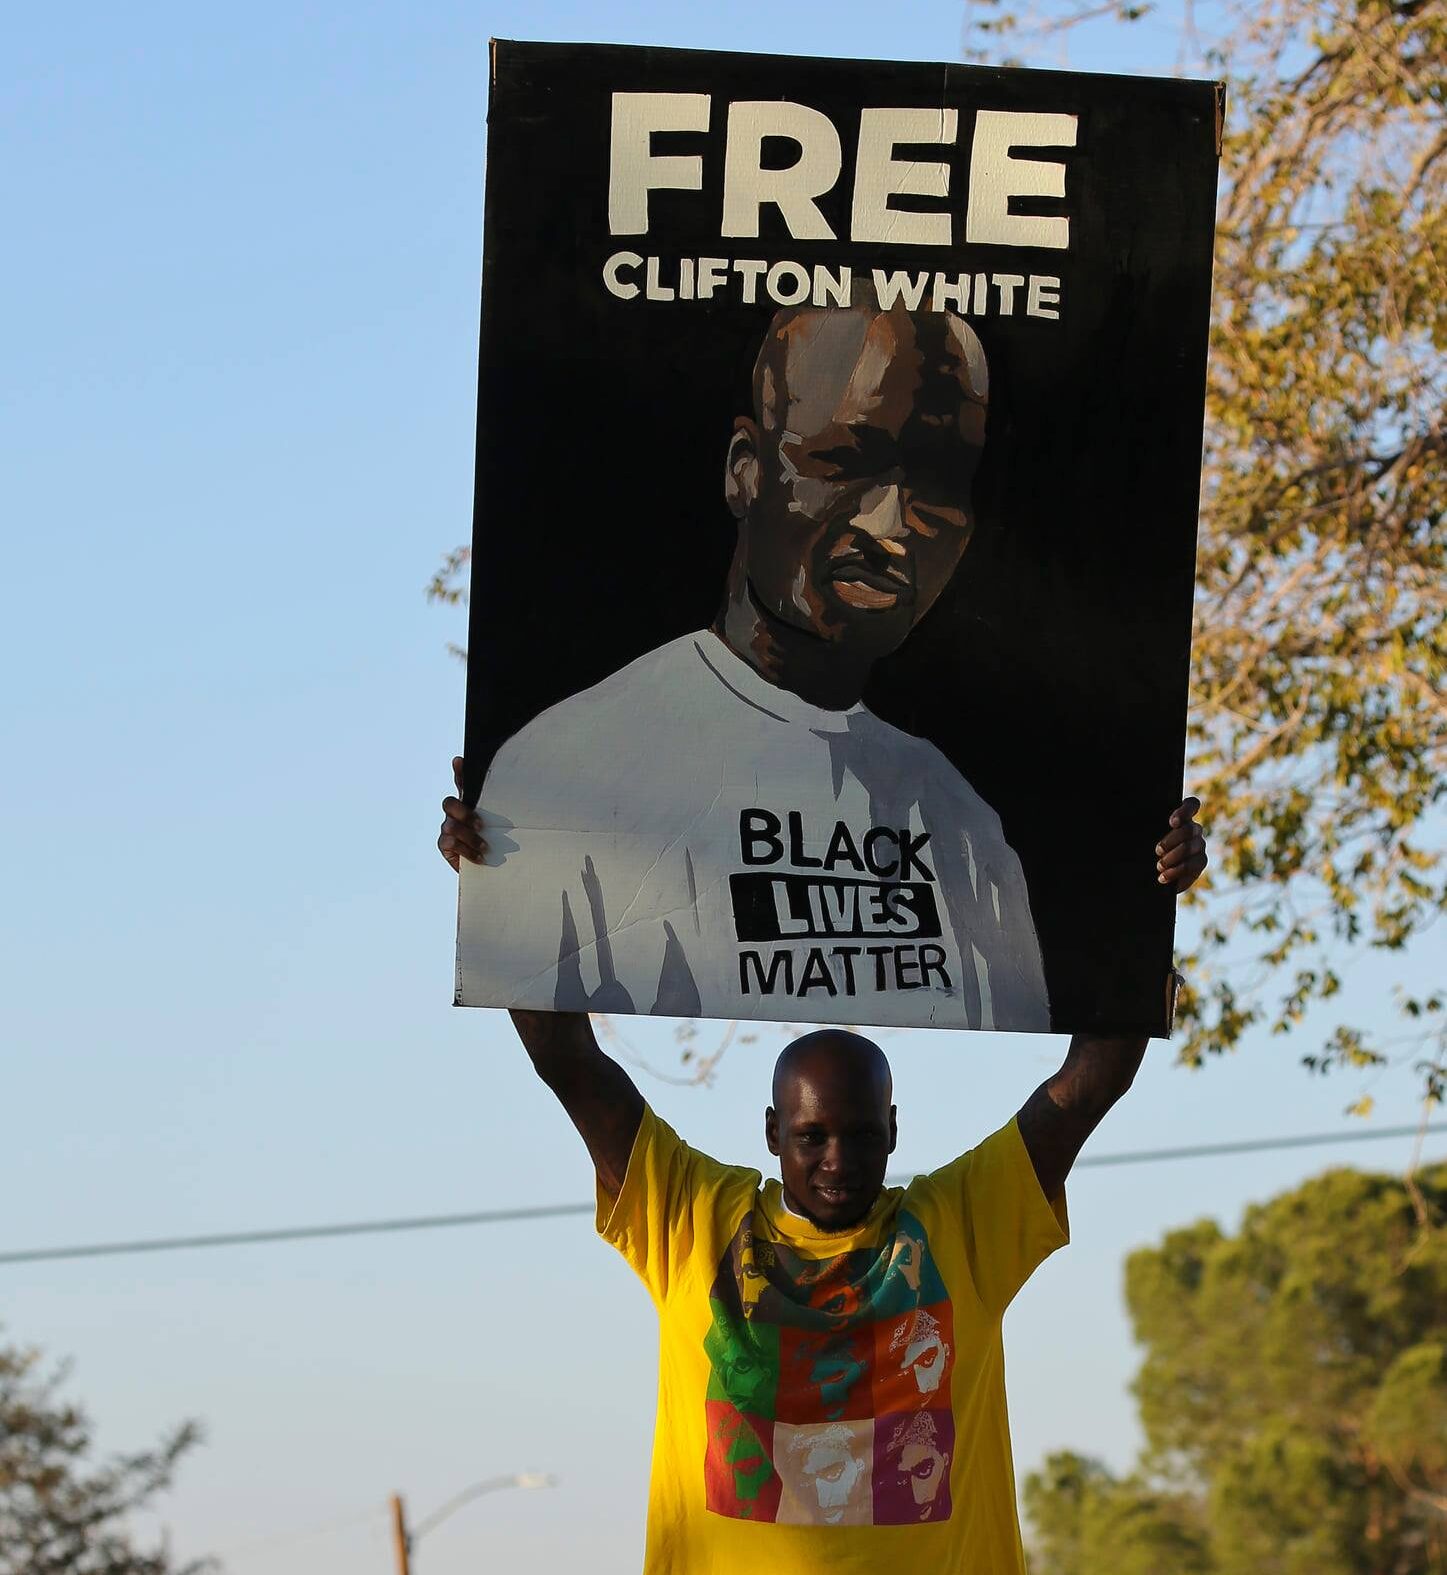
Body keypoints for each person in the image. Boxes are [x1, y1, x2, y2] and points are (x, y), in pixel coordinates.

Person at [440, 772, 1208, 1573]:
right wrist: (502, 881)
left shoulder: (963, 1223)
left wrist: (1145, 888)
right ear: (772, 1132)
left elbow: (1092, 1078)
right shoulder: (693, 1216)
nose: (838, 1159)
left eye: (862, 1135)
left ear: (893, 1131)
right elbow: (569, 1061)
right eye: (811, 1137)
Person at [458, 293, 1052, 1031]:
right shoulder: (565, 772)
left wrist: (1153, 898)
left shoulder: (963, 827)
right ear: (745, 471)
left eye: (940, 484)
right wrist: (500, 857)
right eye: (845, 463)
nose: (891, 526)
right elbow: (552, 1036)